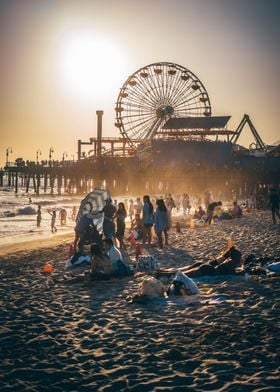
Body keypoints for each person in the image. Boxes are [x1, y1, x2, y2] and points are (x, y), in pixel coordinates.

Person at [157, 246, 242, 279]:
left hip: (207, 266)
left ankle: (160, 272)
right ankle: (159, 274)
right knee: (180, 275)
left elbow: (216, 261)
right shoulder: (231, 265)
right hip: (207, 270)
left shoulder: (227, 261)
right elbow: (235, 274)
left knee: (179, 273)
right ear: (237, 259)